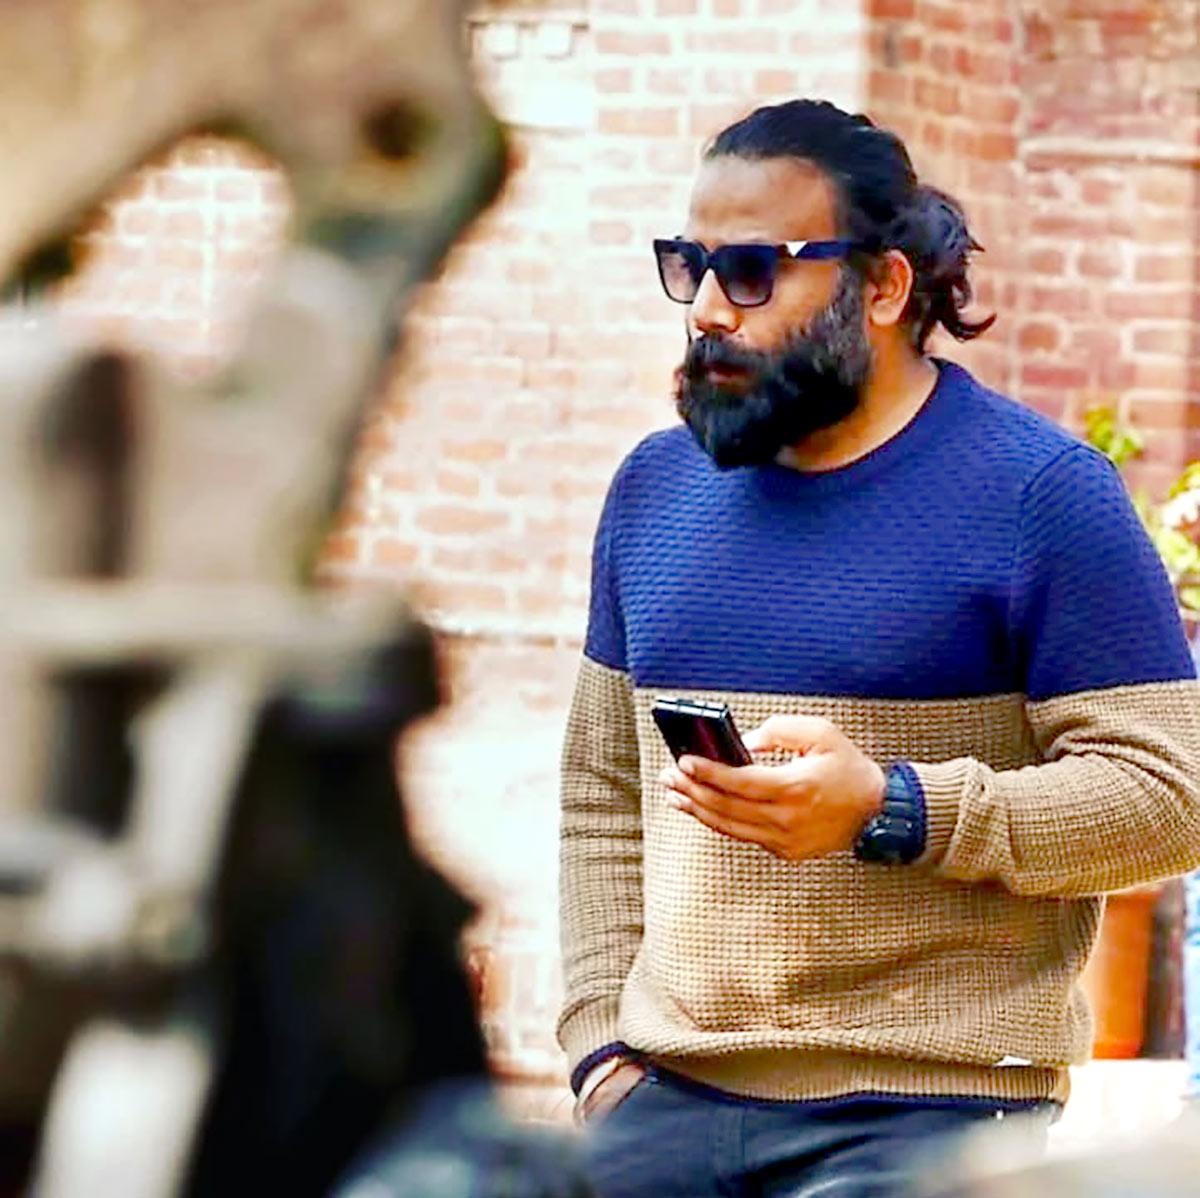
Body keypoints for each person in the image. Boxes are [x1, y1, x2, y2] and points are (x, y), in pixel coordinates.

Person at [556, 98, 1200, 1198]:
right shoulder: (654, 492)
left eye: (752, 270)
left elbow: (1171, 795)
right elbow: (600, 790)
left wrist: (895, 809)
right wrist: (600, 1048)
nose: (706, 307)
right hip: (664, 1101)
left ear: (886, 287)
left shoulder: (1043, 496)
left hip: (931, 1111)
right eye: (689, 265)